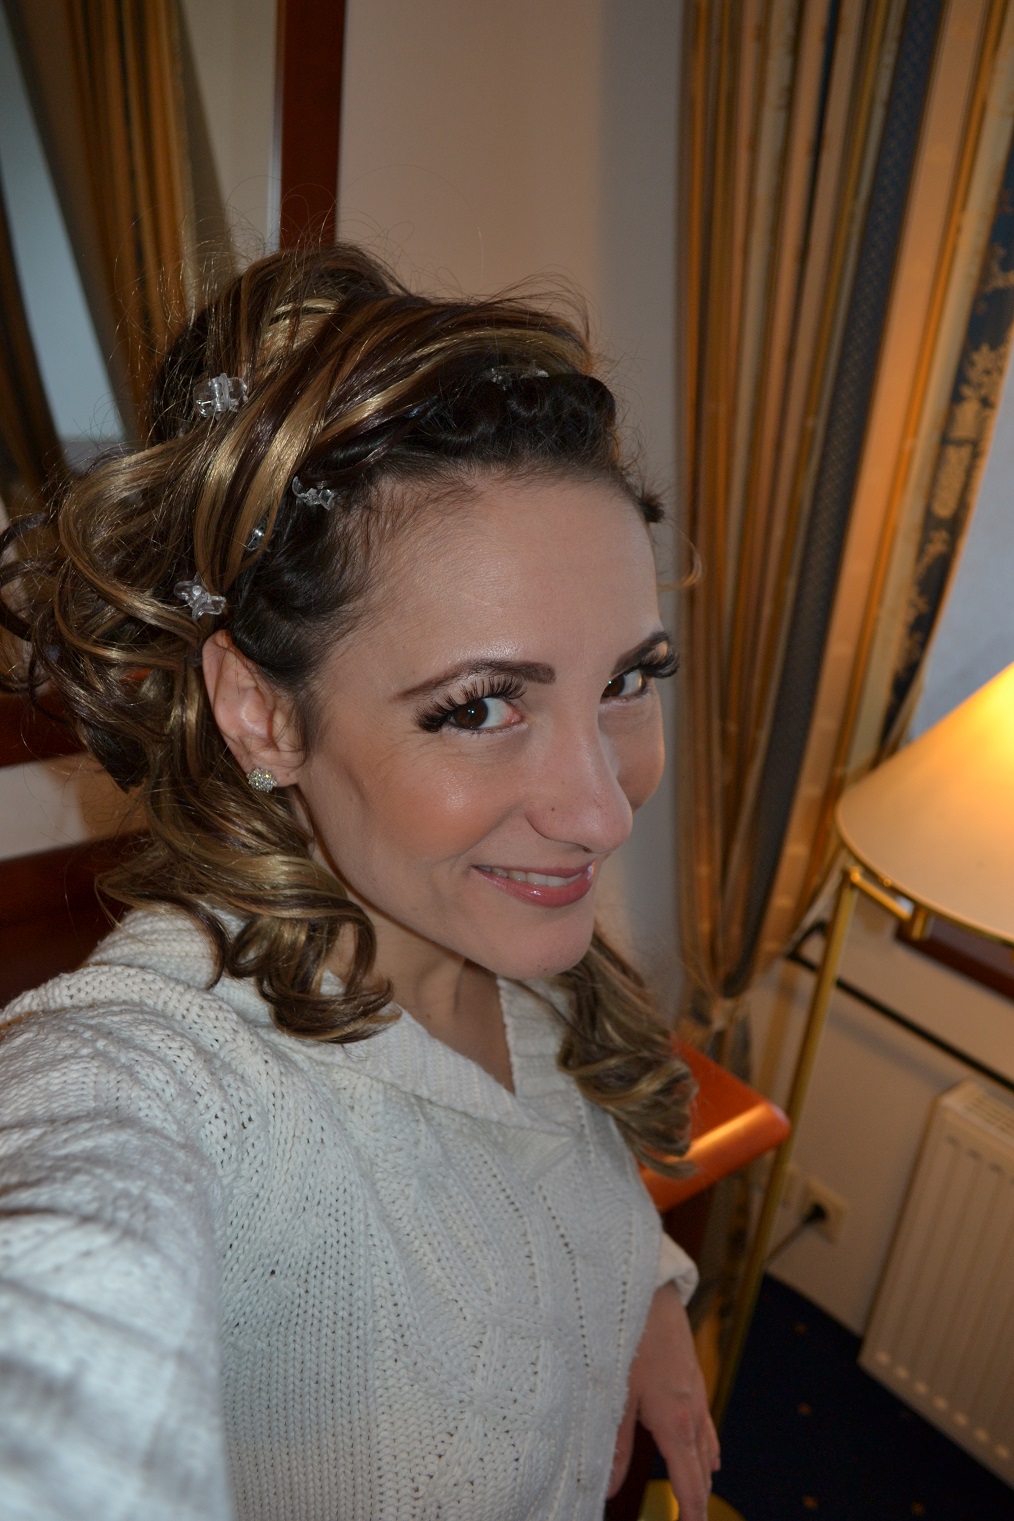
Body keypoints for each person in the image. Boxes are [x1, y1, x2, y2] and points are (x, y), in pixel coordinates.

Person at [0, 245, 719, 1521]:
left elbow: (533, 1166)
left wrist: (642, 1293)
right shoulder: (159, 1078)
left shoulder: (497, 921)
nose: (601, 813)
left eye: (627, 680)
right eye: (481, 705)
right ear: (263, 714)